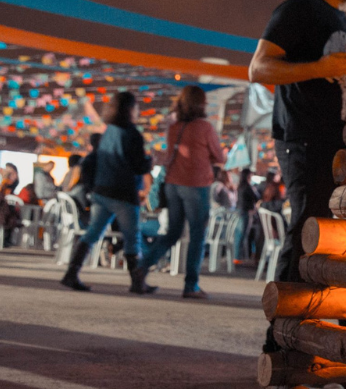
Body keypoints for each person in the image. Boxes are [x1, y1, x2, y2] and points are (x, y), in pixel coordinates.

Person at [249, 0, 346, 284]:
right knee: (308, 225)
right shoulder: (298, 11)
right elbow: (258, 68)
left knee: (328, 233)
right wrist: (321, 68)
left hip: (339, 144)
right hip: (302, 138)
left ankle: (308, 322)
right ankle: (282, 329)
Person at [134, 86, 224, 299]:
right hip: (195, 184)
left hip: (173, 184)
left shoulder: (175, 127)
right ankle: (191, 285)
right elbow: (220, 156)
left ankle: (142, 267)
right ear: (201, 104)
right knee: (197, 235)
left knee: (173, 232)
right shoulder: (205, 128)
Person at [60, 92, 152, 293]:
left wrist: (93, 186)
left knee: (93, 232)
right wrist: (148, 162)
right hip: (124, 193)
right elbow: (139, 166)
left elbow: (93, 161)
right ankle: (137, 282)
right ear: (130, 109)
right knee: (132, 237)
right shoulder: (132, 134)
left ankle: (71, 273)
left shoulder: (108, 131)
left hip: (102, 191)